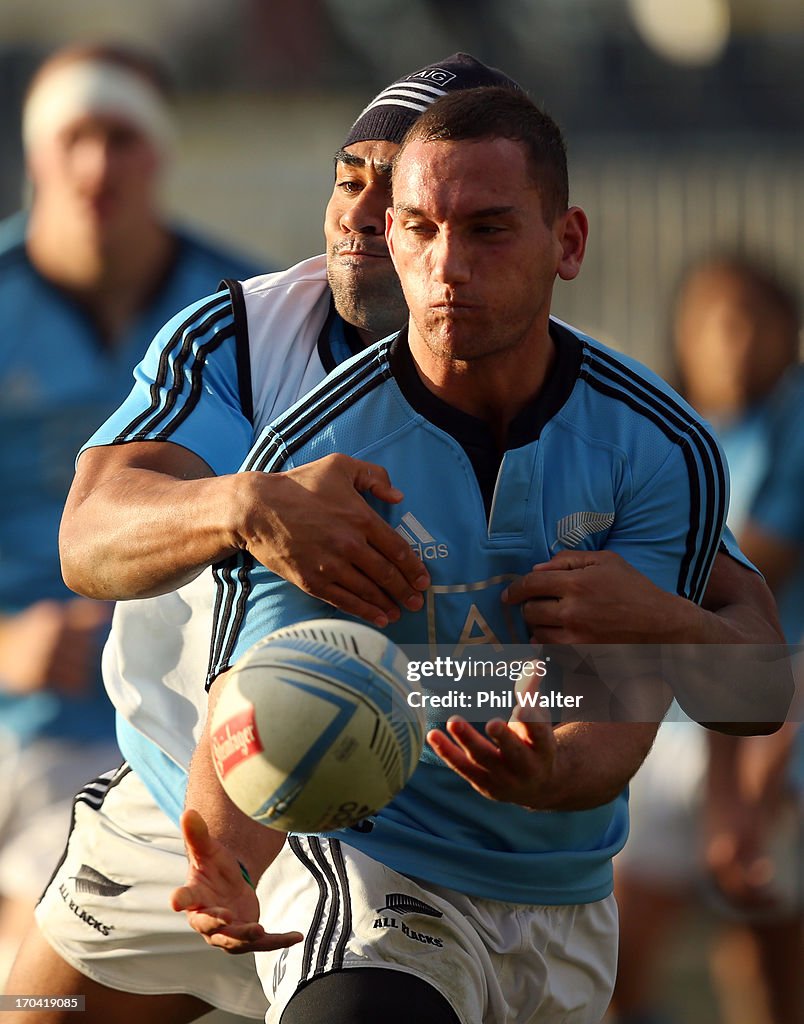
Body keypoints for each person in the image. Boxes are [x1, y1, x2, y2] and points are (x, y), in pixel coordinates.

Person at [172, 86, 744, 1024]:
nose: (447, 268)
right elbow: (261, 690)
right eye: (420, 229)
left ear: (568, 244)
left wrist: (551, 769)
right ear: (390, 238)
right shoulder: (314, 451)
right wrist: (231, 866)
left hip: (563, 896)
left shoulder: (656, 444)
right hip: (374, 864)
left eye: (487, 231)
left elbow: (619, 723)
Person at [5, 55, 531, 1024]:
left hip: (399, 820)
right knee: (36, 1005)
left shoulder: (567, 403)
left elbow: (728, 641)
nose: (361, 212)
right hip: (178, 791)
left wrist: (572, 690)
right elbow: (93, 535)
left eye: (401, 190)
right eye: (350, 177)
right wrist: (245, 506)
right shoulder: (242, 332)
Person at [0, 40, 264, 987]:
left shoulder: (249, 318)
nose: (96, 164)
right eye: (73, 135)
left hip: (157, 729)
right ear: (34, 153)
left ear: (162, 154)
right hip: (11, 712)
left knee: (34, 985)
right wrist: (6, 645)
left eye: (123, 136)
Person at [610, 255, 804, 1024]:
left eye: (755, 320)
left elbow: (748, 570)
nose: (735, 341)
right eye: (716, 321)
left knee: (765, 965)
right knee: (618, 959)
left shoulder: (793, 423)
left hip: (773, 731)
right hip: (671, 728)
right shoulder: (671, 433)